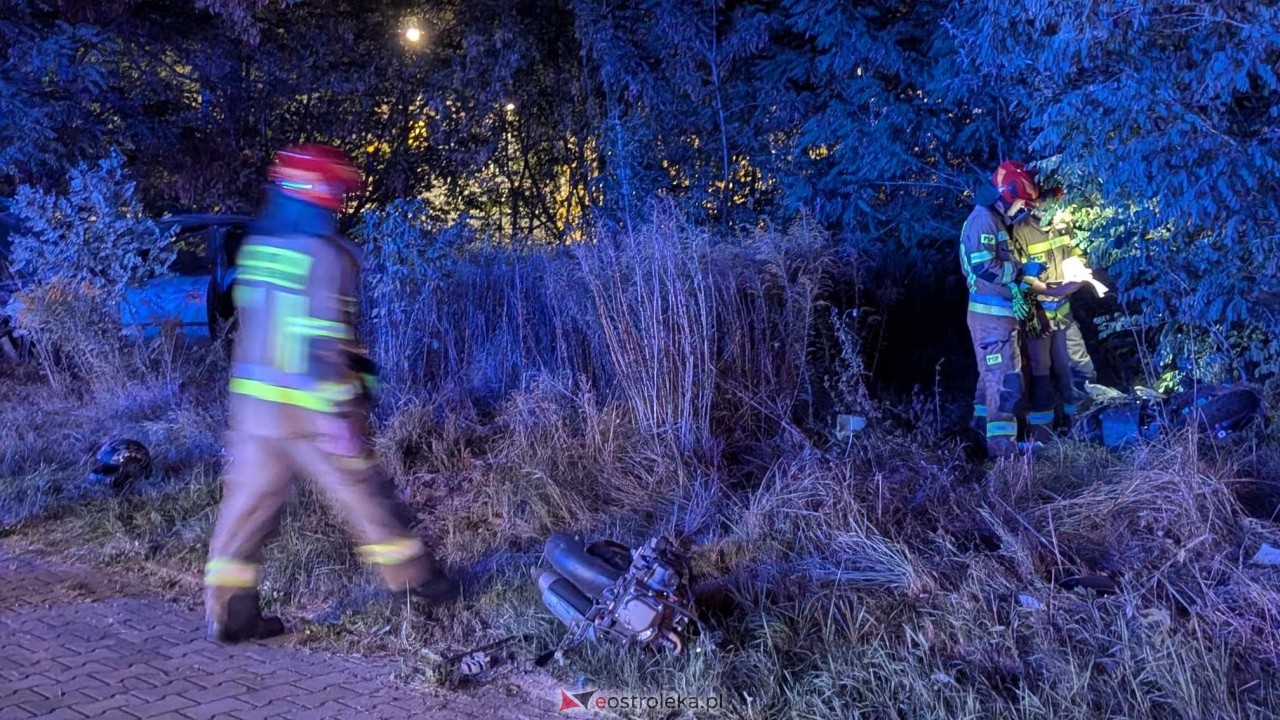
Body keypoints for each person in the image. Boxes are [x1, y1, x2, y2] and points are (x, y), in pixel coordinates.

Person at [203, 144, 457, 644]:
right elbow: (324, 342)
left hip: (254, 410)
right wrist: (342, 412)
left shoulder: (257, 248)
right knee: (366, 497)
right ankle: (417, 586)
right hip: (311, 411)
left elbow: (252, 326)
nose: (340, 201)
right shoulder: (327, 255)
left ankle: (229, 612)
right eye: (337, 191)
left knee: (244, 514)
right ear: (322, 193)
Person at [960, 161, 1081, 456]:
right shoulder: (984, 221)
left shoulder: (995, 220)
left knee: (990, 381)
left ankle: (978, 438)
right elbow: (984, 268)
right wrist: (1021, 269)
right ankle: (1003, 453)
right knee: (1005, 383)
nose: (1022, 210)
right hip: (991, 319)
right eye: (1021, 204)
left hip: (998, 318)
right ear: (1006, 197)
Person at [1011, 193, 1099, 441]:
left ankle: (1083, 432)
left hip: (1064, 315)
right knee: (1040, 378)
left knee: (1079, 370)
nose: (1054, 207)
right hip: (1037, 319)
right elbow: (1019, 279)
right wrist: (1040, 305)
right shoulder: (1020, 231)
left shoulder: (1064, 222)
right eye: (1048, 201)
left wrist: (1079, 268)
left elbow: (1077, 250)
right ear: (1034, 202)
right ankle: (1042, 441)